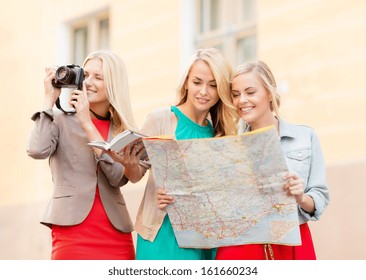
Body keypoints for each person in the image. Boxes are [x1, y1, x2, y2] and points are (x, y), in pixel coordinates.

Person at [27, 49, 146, 260]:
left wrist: (87, 124)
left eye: (99, 77)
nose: (89, 82)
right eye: (87, 75)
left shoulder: (124, 131)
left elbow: (118, 177)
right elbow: (37, 150)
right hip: (71, 232)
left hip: (116, 235)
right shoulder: (60, 120)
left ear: (113, 84)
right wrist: (48, 98)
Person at [215, 60, 330, 260]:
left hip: (291, 241)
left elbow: (319, 197)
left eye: (250, 92)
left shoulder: (305, 137)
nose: (242, 100)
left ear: (269, 92)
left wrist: (300, 197)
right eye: (236, 94)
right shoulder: (228, 146)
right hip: (244, 245)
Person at [134, 48, 237, 260]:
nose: (204, 91)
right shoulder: (160, 120)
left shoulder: (220, 135)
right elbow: (135, 174)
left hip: (202, 241)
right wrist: (155, 192)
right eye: (197, 82)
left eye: (213, 85)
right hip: (161, 234)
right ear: (186, 82)